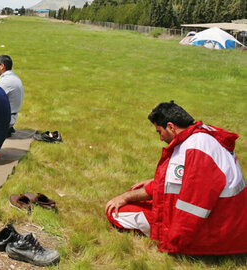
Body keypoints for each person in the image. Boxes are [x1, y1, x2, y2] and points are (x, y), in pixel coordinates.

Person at [105, 101, 247, 255]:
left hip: (216, 228)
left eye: (159, 132)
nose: (160, 138)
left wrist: (171, 242)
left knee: (117, 212)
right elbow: (185, 185)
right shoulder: (202, 137)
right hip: (227, 219)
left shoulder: (196, 149)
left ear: (171, 127)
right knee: (136, 198)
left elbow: (193, 206)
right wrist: (153, 184)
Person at [0, 55, 24, 135]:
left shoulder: (6, 81)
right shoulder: (12, 77)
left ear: (2, 66)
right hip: (10, 118)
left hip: (5, 121)